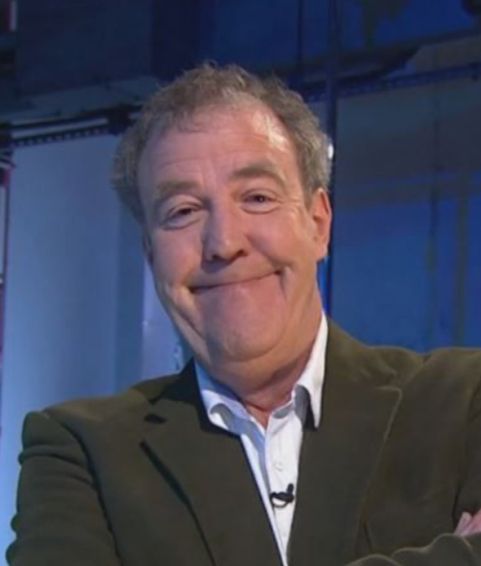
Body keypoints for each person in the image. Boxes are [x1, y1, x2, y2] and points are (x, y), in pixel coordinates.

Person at [7, 63, 481, 566]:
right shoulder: (80, 452)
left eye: (257, 198)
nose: (224, 242)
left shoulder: (463, 401)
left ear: (318, 224)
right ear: (150, 254)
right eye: (183, 211)